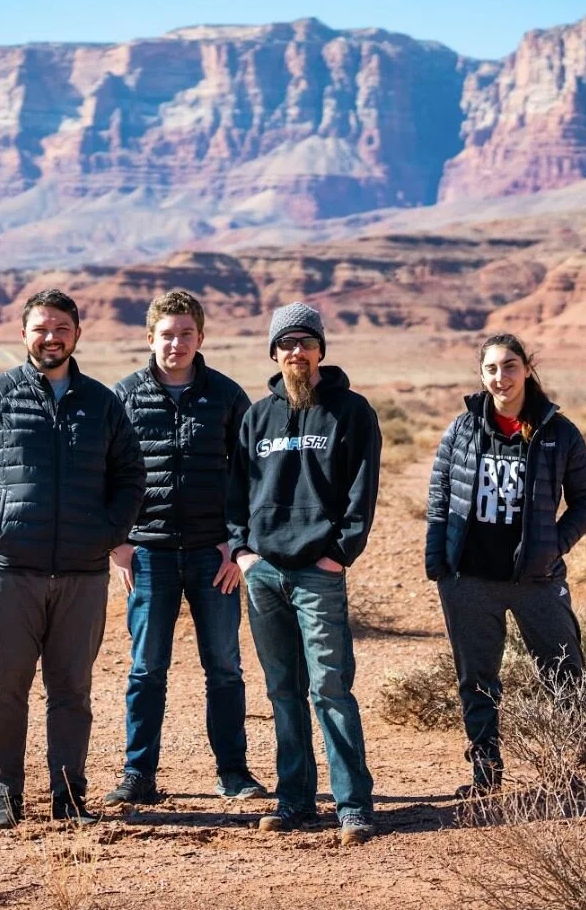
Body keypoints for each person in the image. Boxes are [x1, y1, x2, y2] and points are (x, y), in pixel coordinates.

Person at [0, 288, 145, 828]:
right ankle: (5, 795)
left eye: (61, 328)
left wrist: (106, 532)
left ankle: (69, 797)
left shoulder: (103, 403)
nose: (51, 337)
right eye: (41, 328)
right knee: (5, 688)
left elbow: (130, 475)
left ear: (77, 334)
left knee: (72, 691)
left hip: (80, 572)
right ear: (24, 333)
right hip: (8, 571)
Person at [226, 302, 382, 846]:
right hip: (265, 572)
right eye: (286, 343)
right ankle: (294, 799)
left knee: (330, 687)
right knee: (282, 690)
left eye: (305, 342)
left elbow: (363, 489)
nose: (296, 351)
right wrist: (243, 550)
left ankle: (353, 806)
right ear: (274, 352)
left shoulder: (351, 411)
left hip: (319, 570)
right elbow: (236, 490)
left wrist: (340, 551)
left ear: (320, 349)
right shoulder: (257, 416)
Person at [102, 290, 266, 807]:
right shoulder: (123, 396)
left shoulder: (226, 395)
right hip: (146, 554)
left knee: (224, 667)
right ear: (149, 338)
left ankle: (234, 773)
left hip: (212, 554)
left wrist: (237, 545)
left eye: (186, 334)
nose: (176, 343)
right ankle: (139, 774)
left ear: (201, 338)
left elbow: (251, 476)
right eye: (167, 335)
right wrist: (118, 542)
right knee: (147, 667)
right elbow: (103, 472)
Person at [424, 333, 586, 797]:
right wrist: (438, 563)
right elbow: (439, 498)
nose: (500, 377)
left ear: (527, 368)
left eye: (510, 366)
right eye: (491, 369)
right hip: (469, 580)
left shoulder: (558, 431)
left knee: (565, 672)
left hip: (535, 580)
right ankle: (485, 773)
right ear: (481, 375)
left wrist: (553, 545)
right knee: (477, 681)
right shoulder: (462, 429)